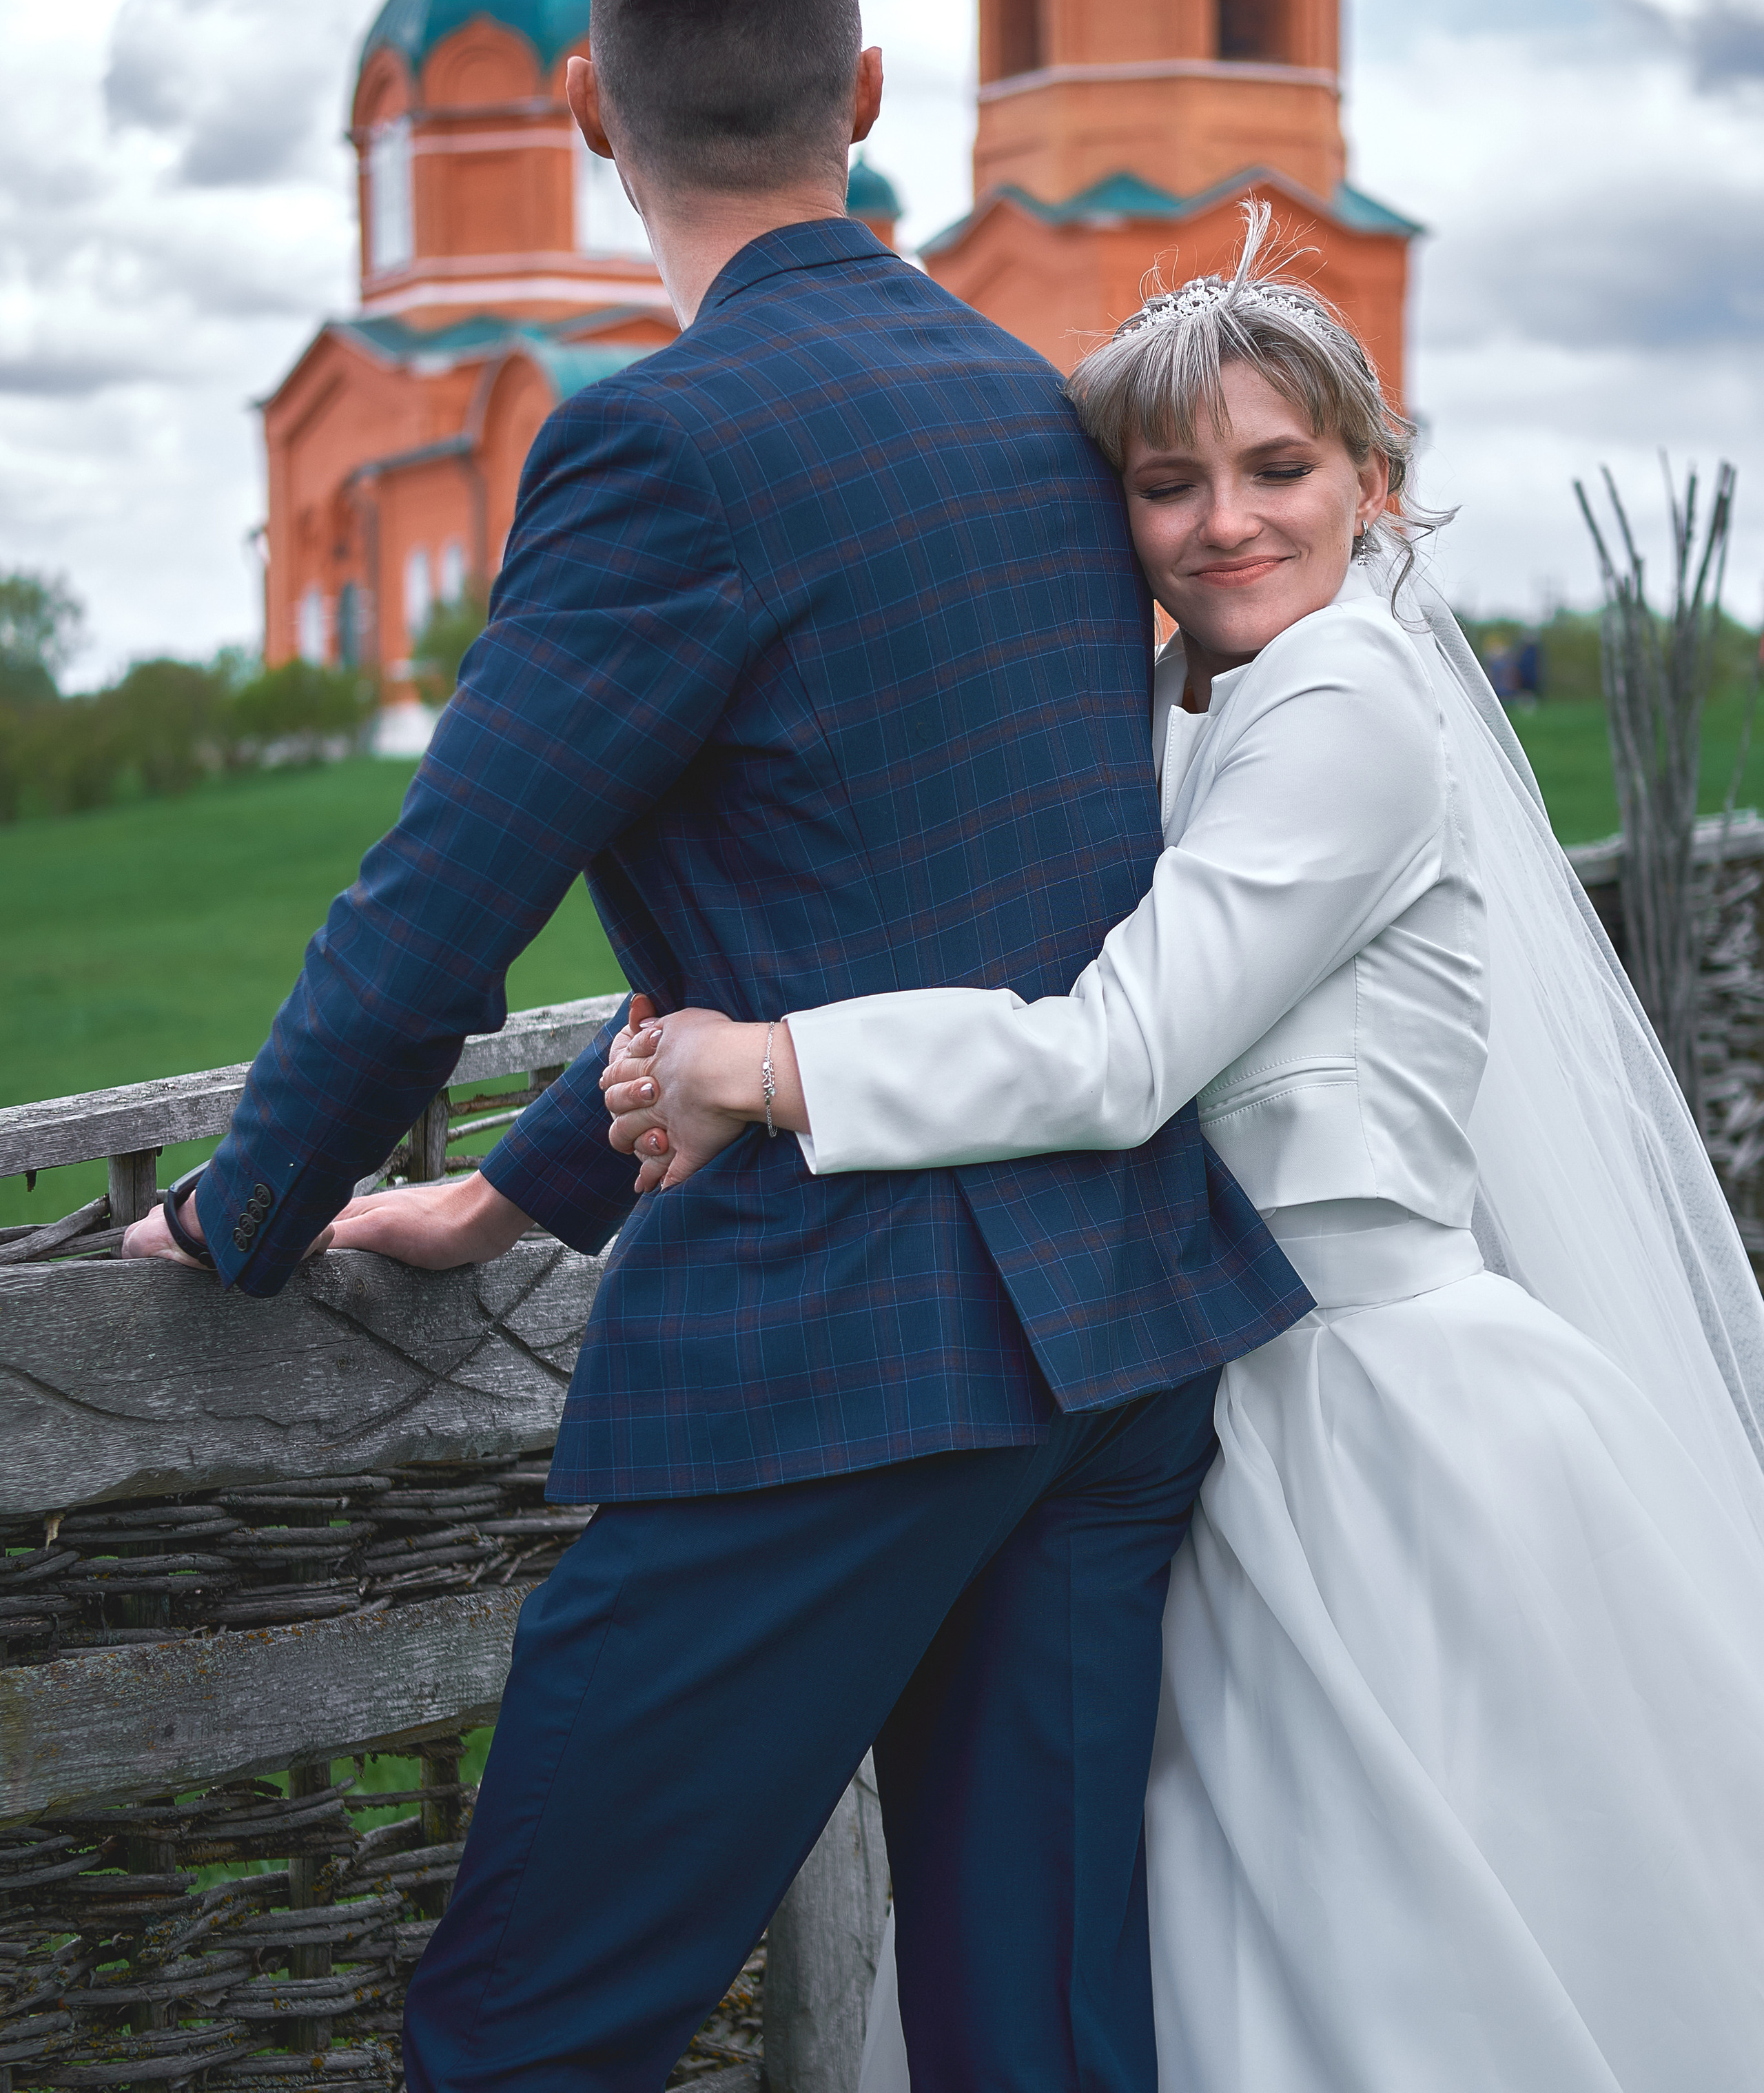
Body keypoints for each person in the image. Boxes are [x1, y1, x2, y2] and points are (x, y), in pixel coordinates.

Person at [123, 0, 1311, 2092]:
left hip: (846, 1366)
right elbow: (896, 922)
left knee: (531, 2030)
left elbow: (432, 918)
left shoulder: (654, 446)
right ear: (867, 95)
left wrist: (247, 1208)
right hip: (1125, 1341)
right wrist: (509, 1194)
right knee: (1044, 2030)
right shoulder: (1030, 410)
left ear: (586, 112)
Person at [604, 212, 1764, 2091]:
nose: (1225, 518)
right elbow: (973, 939)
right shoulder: (1179, 711)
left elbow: (1121, 1052)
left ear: (1376, 482)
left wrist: (770, 1067)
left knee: (1398, 1957)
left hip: (1382, 1426)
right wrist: (640, 1082)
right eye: (1169, 482)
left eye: (1277, 468)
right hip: (1205, 1417)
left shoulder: (1347, 701)